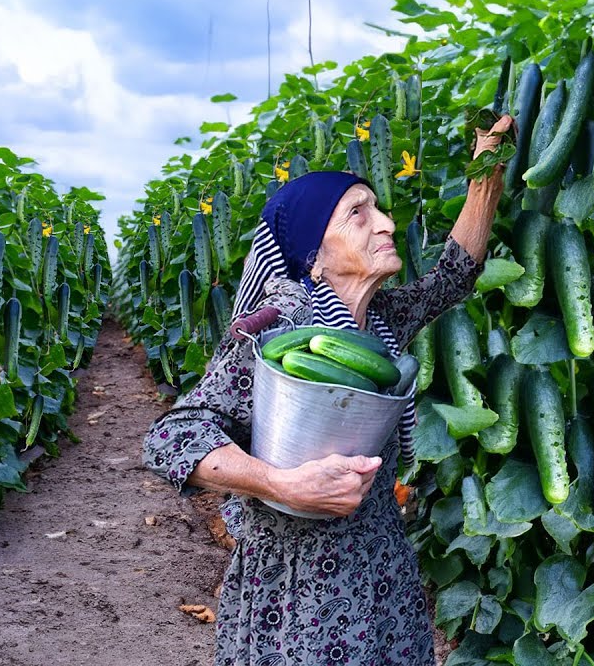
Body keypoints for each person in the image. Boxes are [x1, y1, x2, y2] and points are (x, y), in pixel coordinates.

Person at [143, 115, 513, 665]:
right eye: (358, 214)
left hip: (382, 578)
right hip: (298, 596)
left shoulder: (381, 322)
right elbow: (172, 436)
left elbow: (456, 272)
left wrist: (488, 168)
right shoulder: (280, 326)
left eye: (378, 208)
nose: (385, 223)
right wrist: (280, 484)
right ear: (314, 256)